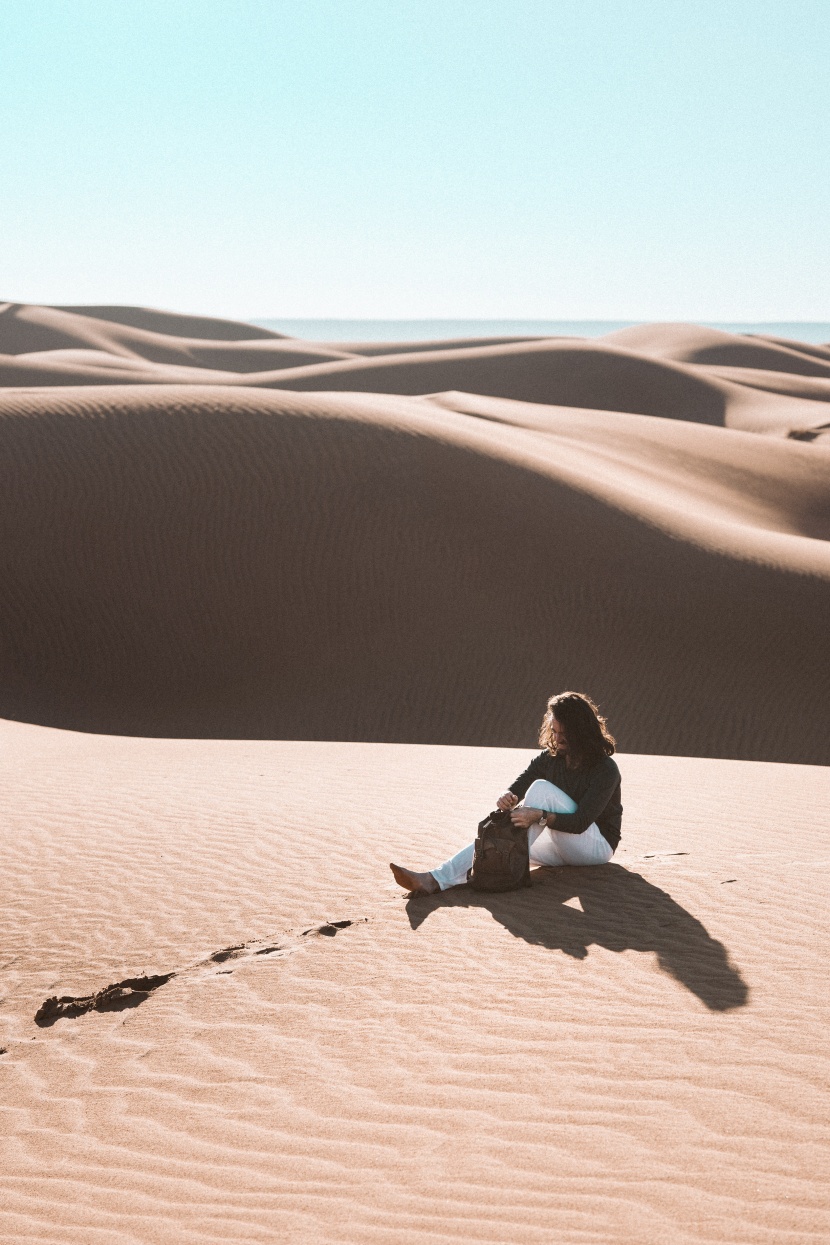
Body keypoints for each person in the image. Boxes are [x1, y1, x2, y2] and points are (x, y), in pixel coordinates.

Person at [390, 691, 622, 894]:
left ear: (581, 731)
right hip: (559, 847)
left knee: (541, 790)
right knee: (500, 843)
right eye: (555, 731)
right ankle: (435, 879)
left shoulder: (605, 769)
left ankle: (485, 876)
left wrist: (538, 815)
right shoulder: (551, 758)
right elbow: (521, 784)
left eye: (565, 734)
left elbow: (580, 823)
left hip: (595, 848)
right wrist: (509, 796)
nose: (558, 739)